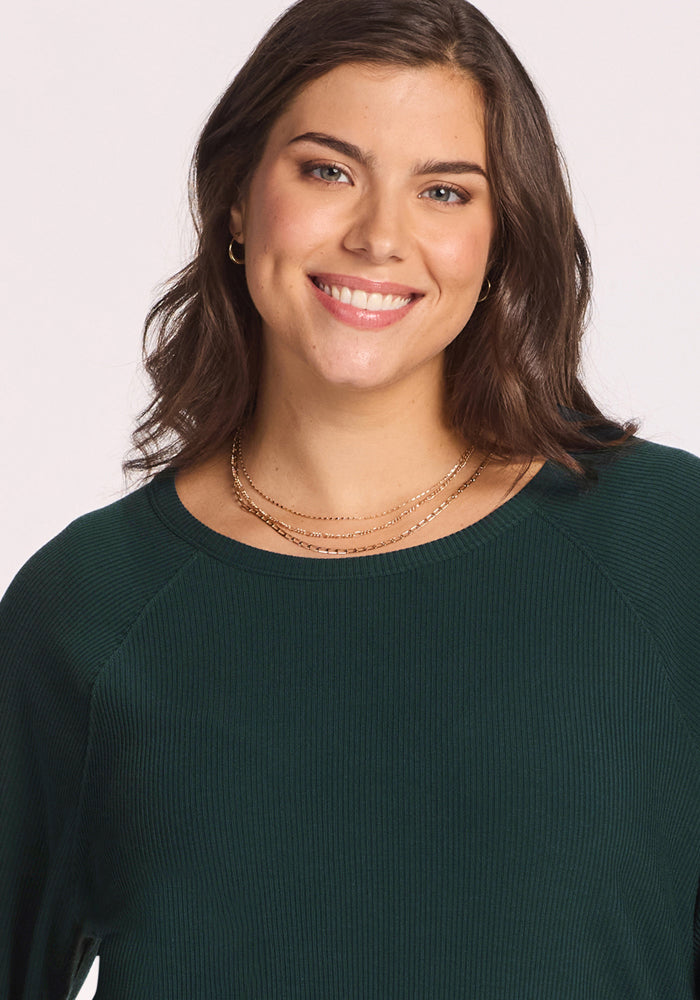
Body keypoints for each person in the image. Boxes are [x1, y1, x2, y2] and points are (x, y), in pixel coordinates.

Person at [2, 0, 699, 996]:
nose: (380, 236)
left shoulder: (664, 547)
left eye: (445, 192)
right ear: (238, 201)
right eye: (328, 171)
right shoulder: (90, 607)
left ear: (501, 236)